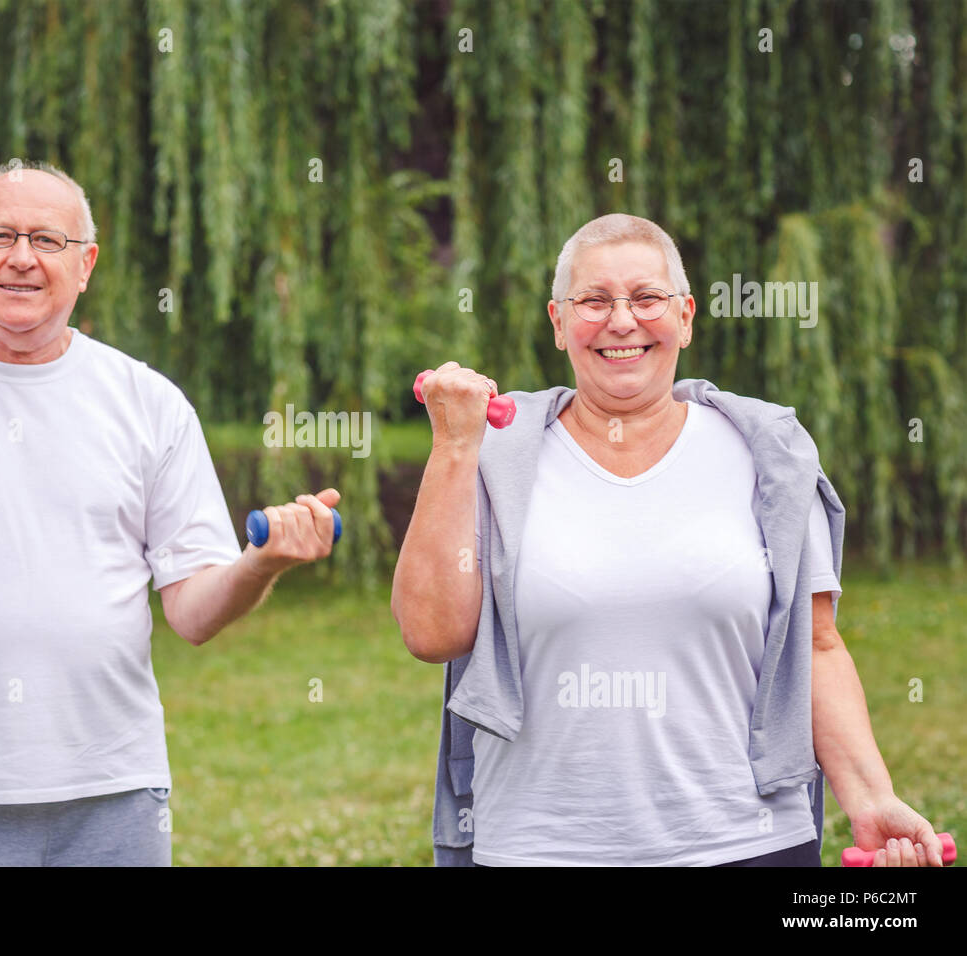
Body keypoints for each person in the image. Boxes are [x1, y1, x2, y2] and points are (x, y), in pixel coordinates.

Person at [0, 160, 340, 866]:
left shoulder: (149, 403)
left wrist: (260, 563)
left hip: (118, 797)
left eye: (48, 241)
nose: (22, 257)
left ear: (87, 266)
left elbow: (193, 614)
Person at [392, 213, 945, 867]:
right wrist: (455, 447)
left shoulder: (764, 453)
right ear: (559, 322)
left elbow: (817, 647)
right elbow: (431, 634)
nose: (621, 320)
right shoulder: (496, 456)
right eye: (593, 300)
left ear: (684, 316)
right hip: (541, 848)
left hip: (748, 841)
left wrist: (871, 796)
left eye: (646, 298)